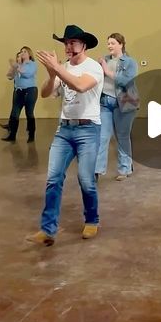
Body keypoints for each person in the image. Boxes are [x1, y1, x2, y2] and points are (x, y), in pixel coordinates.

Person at [26, 25, 104, 246]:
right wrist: (52, 74)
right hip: (64, 130)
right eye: (66, 43)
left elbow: (80, 85)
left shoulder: (93, 67)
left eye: (72, 43)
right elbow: (45, 93)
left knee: (86, 180)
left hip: (88, 130)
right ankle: (48, 228)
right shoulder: (64, 68)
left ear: (84, 45)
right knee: (53, 179)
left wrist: (57, 68)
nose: (68, 47)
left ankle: (92, 220)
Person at [95, 33, 139, 181]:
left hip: (125, 102)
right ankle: (97, 170)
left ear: (121, 44)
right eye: (108, 43)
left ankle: (125, 169)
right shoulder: (104, 60)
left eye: (113, 43)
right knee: (102, 136)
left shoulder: (130, 62)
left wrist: (107, 72)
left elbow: (126, 80)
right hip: (105, 102)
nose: (109, 46)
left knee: (122, 136)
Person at [1, 46, 38, 144]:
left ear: (29, 54)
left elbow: (27, 74)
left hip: (30, 91)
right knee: (15, 113)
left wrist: (16, 66)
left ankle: (31, 135)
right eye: (21, 51)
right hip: (18, 91)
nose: (22, 53)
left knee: (29, 113)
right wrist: (13, 67)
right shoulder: (18, 65)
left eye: (25, 51)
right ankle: (12, 135)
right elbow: (9, 76)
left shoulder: (32, 64)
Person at [0, 51, 22, 131]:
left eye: (20, 56)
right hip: (16, 90)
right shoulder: (15, 67)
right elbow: (9, 77)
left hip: (26, 91)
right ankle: (10, 125)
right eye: (17, 56)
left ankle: (30, 130)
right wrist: (12, 68)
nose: (18, 58)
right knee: (14, 109)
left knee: (19, 111)